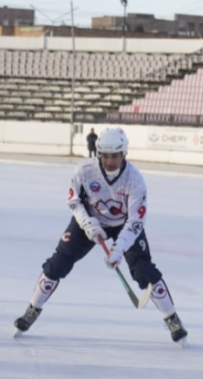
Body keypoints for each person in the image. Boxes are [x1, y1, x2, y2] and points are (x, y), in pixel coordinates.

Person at [13, 127, 187, 345]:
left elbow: (135, 221)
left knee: (144, 270)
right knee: (57, 263)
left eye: (115, 156)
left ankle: (172, 318)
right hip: (89, 221)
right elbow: (74, 201)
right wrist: (87, 224)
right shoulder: (84, 170)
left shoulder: (135, 180)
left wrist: (119, 248)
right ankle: (33, 308)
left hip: (124, 224)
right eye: (105, 156)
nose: (110, 161)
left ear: (124, 154)